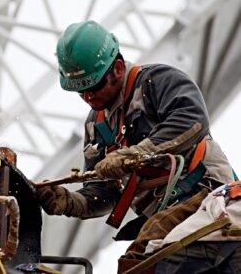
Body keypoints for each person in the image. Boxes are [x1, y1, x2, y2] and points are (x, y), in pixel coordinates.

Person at [36, 20, 236, 260]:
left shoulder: (156, 82)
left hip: (206, 196)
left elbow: (191, 119)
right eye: (80, 91)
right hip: (164, 217)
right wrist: (69, 201)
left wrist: (136, 153)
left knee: (141, 260)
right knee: (142, 256)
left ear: (118, 69)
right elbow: (102, 192)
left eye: (95, 85)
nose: (88, 96)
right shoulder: (96, 127)